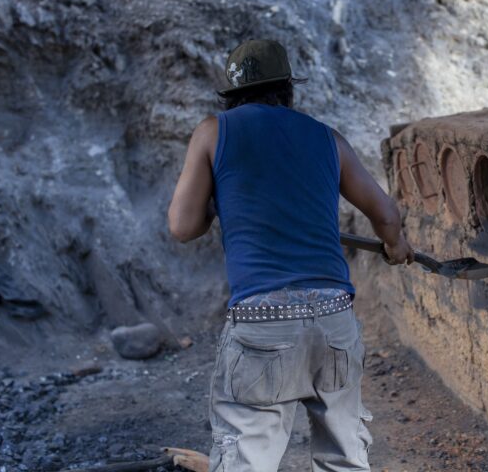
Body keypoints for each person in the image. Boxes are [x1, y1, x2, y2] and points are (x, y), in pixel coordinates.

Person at [168, 39, 414, 472]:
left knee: (248, 459)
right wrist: (395, 248)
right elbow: (386, 214)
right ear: (288, 90)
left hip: (263, 322)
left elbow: (183, 227)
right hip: (333, 318)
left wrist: (218, 198)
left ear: (231, 96)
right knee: (345, 459)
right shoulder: (326, 137)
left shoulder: (213, 132)